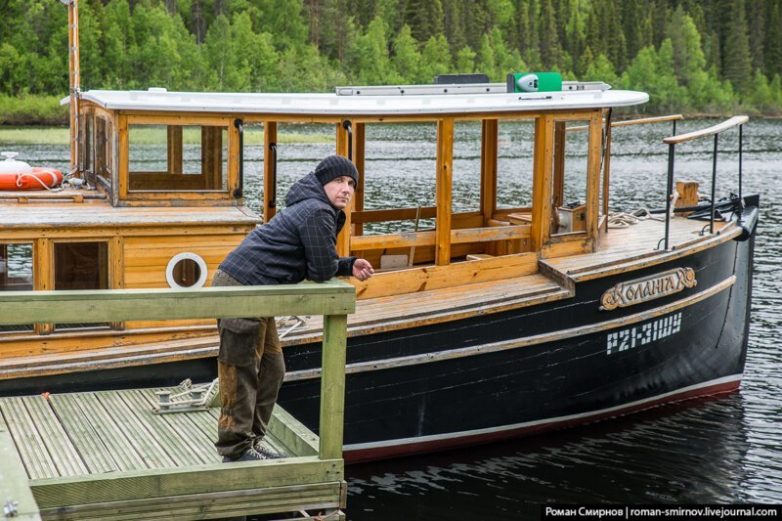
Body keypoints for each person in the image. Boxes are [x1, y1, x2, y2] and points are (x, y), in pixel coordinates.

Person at [212, 155, 374, 462]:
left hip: (259, 292)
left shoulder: (315, 208)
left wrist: (349, 265)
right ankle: (235, 449)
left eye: (351, 184)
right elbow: (320, 268)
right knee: (242, 367)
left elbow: (317, 261)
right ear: (322, 182)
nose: (346, 189)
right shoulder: (316, 211)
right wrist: (337, 265)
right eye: (339, 181)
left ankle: (252, 440)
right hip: (240, 287)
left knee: (273, 369)